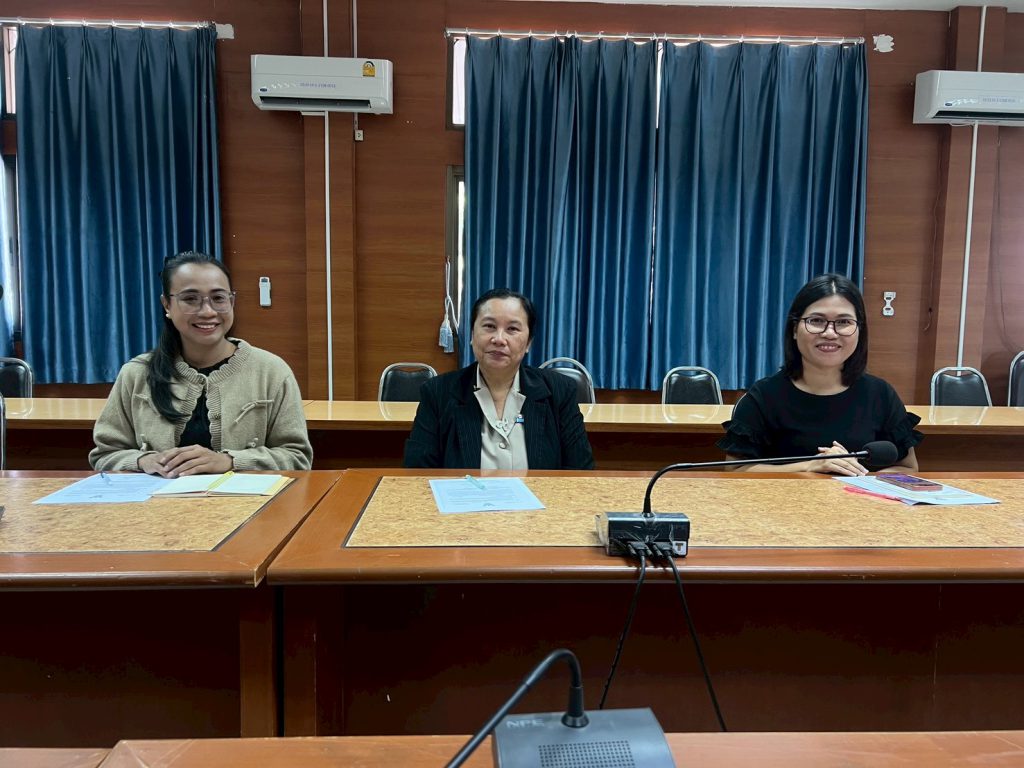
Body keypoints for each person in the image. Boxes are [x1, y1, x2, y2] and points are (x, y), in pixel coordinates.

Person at [90, 251, 312, 476]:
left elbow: (297, 457)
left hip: (244, 498)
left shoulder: (271, 371)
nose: (207, 311)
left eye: (218, 298)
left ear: (232, 301)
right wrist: (143, 461)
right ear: (167, 305)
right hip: (155, 498)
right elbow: (105, 454)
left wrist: (230, 461)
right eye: (190, 299)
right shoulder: (137, 373)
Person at [717, 273, 922, 475]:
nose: (830, 333)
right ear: (795, 329)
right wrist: (810, 467)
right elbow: (736, 470)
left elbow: (908, 468)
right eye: (816, 320)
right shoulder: (763, 397)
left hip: (861, 498)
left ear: (860, 331)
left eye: (843, 322)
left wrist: (860, 479)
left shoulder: (881, 395)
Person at [403, 288, 594, 470]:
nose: (499, 339)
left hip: (540, 495)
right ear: (472, 335)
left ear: (529, 342)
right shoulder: (438, 393)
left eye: (512, 329)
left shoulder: (560, 391)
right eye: (489, 326)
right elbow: (418, 473)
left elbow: (580, 471)